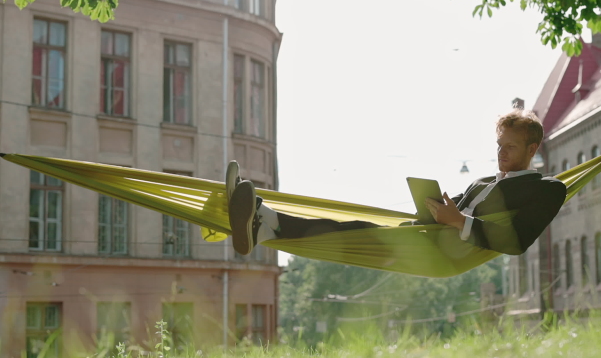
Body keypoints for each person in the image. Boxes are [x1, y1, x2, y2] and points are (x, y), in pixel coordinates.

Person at [227, 109, 567, 257]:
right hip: (422, 234)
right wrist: (433, 206)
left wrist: (459, 221)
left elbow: (517, 241)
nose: (501, 153)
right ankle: (265, 226)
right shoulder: (481, 182)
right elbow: (446, 210)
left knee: (354, 231)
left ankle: (266, 220)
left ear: (532, 149)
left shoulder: (547, 189)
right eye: (499, 145)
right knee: (351, 225)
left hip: (444, 252)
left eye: (510, 147)